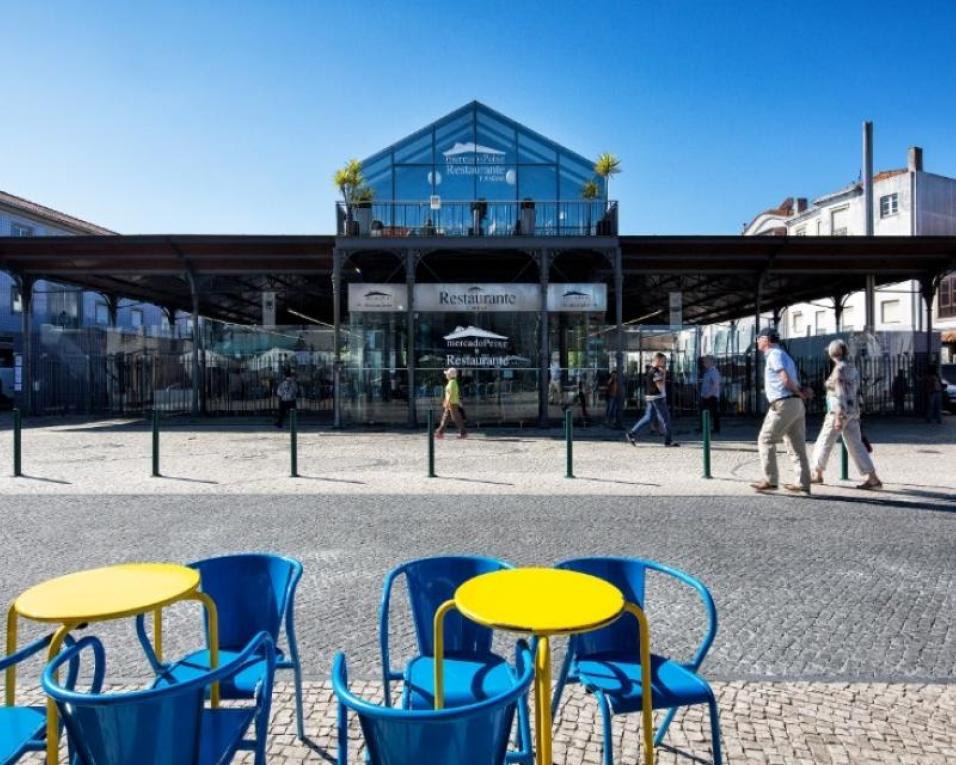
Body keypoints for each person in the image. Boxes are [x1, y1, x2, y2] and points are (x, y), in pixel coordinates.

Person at [810, 340, 882, 490]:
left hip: (838, 412)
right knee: (856, 446)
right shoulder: (852, 368)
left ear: (832, 353)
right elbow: (856, 392)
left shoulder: (838, 370)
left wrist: (838, 416)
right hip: (853, 412)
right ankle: (873, 478)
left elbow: (840, 394)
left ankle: (817, 474)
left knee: (824, 441)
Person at [752, 328, 811, 493]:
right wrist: (800, 393)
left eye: (759, 338)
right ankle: (803, 483)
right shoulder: (785, 355)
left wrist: (798, 392)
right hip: (796, 404)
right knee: (796, 445)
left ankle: (770, 480)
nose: (757, 341)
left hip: (783, 403)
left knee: (765, 439)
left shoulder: (774, 355)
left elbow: (784, 378)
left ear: (768, 339)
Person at [625, 353, 679, 447]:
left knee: (648, 418)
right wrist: (664, 395)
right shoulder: (656, 372)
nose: (664, 363)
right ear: (657, 360)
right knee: (666, 419)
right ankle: (668, 441)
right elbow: (660, 385)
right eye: (663, 361)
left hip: (651, 397)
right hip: (657, 398)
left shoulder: (651, 370)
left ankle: (631, 433)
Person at [435, 367, 466, 439]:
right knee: (445, 418)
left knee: (456, 418)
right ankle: (439, 432)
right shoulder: (452, 382)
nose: (446, 375)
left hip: (452, 403)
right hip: (451, 403)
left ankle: (463, 433)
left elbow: (450, 393)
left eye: (447, 374)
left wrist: (447, 402)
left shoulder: (452, 382)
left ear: (450, 375)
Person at [699, 355, 721, 434]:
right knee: (703, 412)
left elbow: (715, 384)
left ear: (711, 362)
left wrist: (709, 394)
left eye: (706, 361)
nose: (704, 363)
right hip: (706, 395)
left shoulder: (714, 372)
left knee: (714, 413)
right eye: (704, 362)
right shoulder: (707, 371)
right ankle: (703, 428)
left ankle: (716, 429)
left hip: (711, 396)